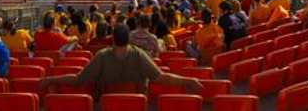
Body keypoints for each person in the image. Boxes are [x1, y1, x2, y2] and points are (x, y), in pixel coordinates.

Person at [37, 23, 203, 96]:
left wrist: (51, 79)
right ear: (127, 40)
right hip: (136, 105)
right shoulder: (138, 54)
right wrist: (189, 80)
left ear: (113, 40)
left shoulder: (102, 56)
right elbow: (161, 78)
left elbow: (78, 80)